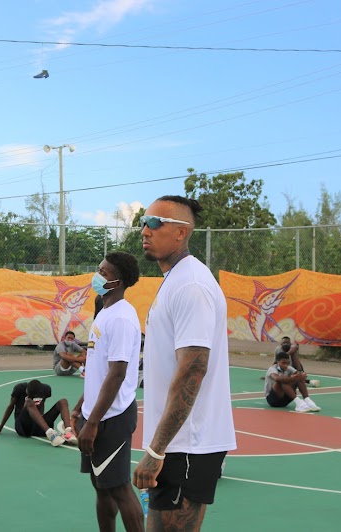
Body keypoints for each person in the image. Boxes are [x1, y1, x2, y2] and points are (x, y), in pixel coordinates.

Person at [133, 196, 237, 532]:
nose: (144, 230)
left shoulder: (191, 285)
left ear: (181, 233)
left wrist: (157, 451)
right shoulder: (177, 280)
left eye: (154, 223)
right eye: (143, 222)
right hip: (178, 445)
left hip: (186, 445)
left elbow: (193, 369)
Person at [71, 251, 144, 532]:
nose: (97, 276)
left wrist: (92, 424)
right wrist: (82, 405)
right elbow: (98, 369)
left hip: (111, 418)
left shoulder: (122, 318)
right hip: (94, 414)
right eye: (98, 269)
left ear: (118, 281)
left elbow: (117, 374)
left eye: (104, 273)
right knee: (101, 486)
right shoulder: (105, 311)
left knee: (119, 488)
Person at [0, 379, 77, 446]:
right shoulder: (19, 389)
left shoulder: (46, 389)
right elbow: (10, 407)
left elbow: (42, 404)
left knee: (63, 402)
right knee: (29, 402)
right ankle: (51, 434)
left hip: (39, 426)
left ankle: (68, 432)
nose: (30, 396)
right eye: (28, 394)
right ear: (26, 390)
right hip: (23, 427)